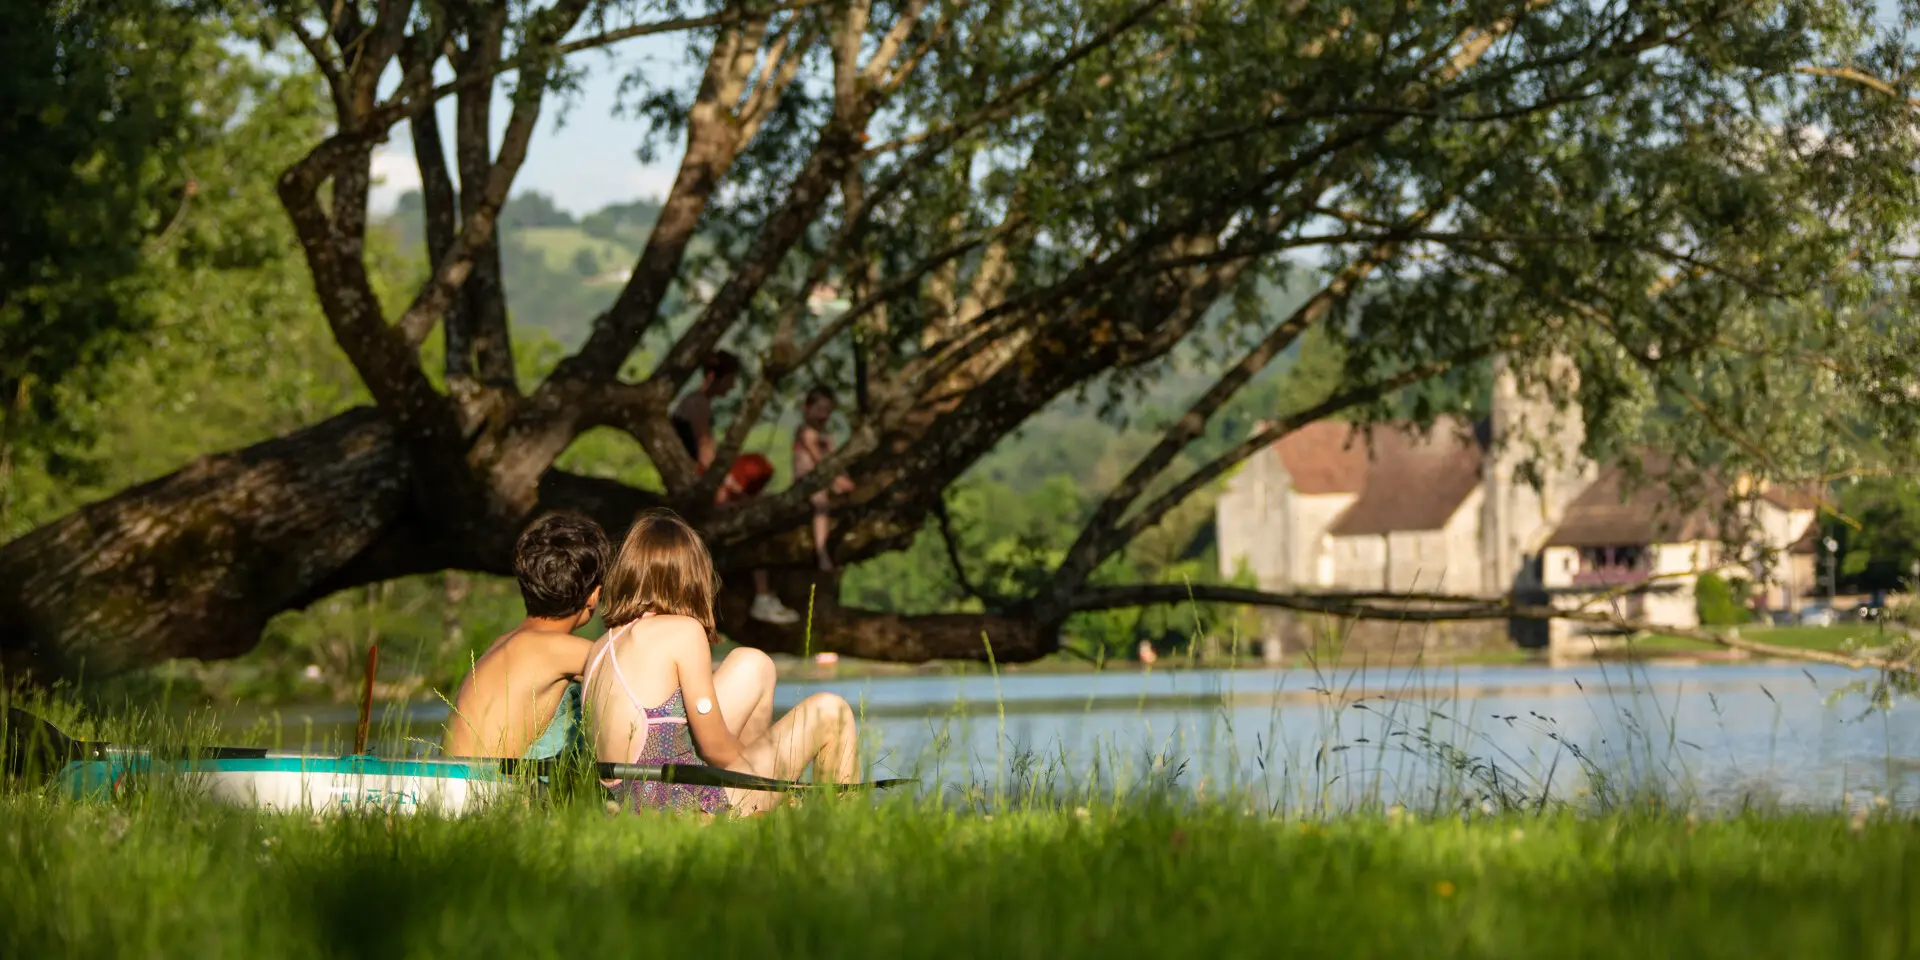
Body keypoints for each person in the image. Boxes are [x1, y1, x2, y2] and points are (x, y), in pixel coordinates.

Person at [581, 510, 860, 816]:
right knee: (830, 711)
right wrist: (778, 784)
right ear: (689, 577)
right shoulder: (682, 631)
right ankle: (843, 833)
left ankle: (759, 819)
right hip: (680, 809)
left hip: (626, 806)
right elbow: (715, 748)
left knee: (752, 663)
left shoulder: (601, 646)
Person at [443, 514, 608, 759]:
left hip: (443, 777)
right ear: (594, 595)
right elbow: (631, 676)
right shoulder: (559, 649)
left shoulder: (506, 641)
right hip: (479, 786)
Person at [671, 350, 800, 625]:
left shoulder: (694, 402)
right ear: (716, 377)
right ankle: (763, 595)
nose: (732, 386)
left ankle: (762, 593)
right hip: (700, 484)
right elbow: (705, 455)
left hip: (699, 480)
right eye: (730, 379)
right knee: (754, 519)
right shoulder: (698, 404)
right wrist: (728, 488)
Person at [792, 385, 857, 572]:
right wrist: (836, 480)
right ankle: (822, 552)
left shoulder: (825, 436)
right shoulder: (806, 432)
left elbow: (833, 459)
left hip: (823, 479)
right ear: (807, 408)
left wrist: (843, 478)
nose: (823, 415)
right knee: (821, 504)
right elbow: (817, 460)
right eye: (819, 410)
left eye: (827, 411)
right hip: (808, 482)